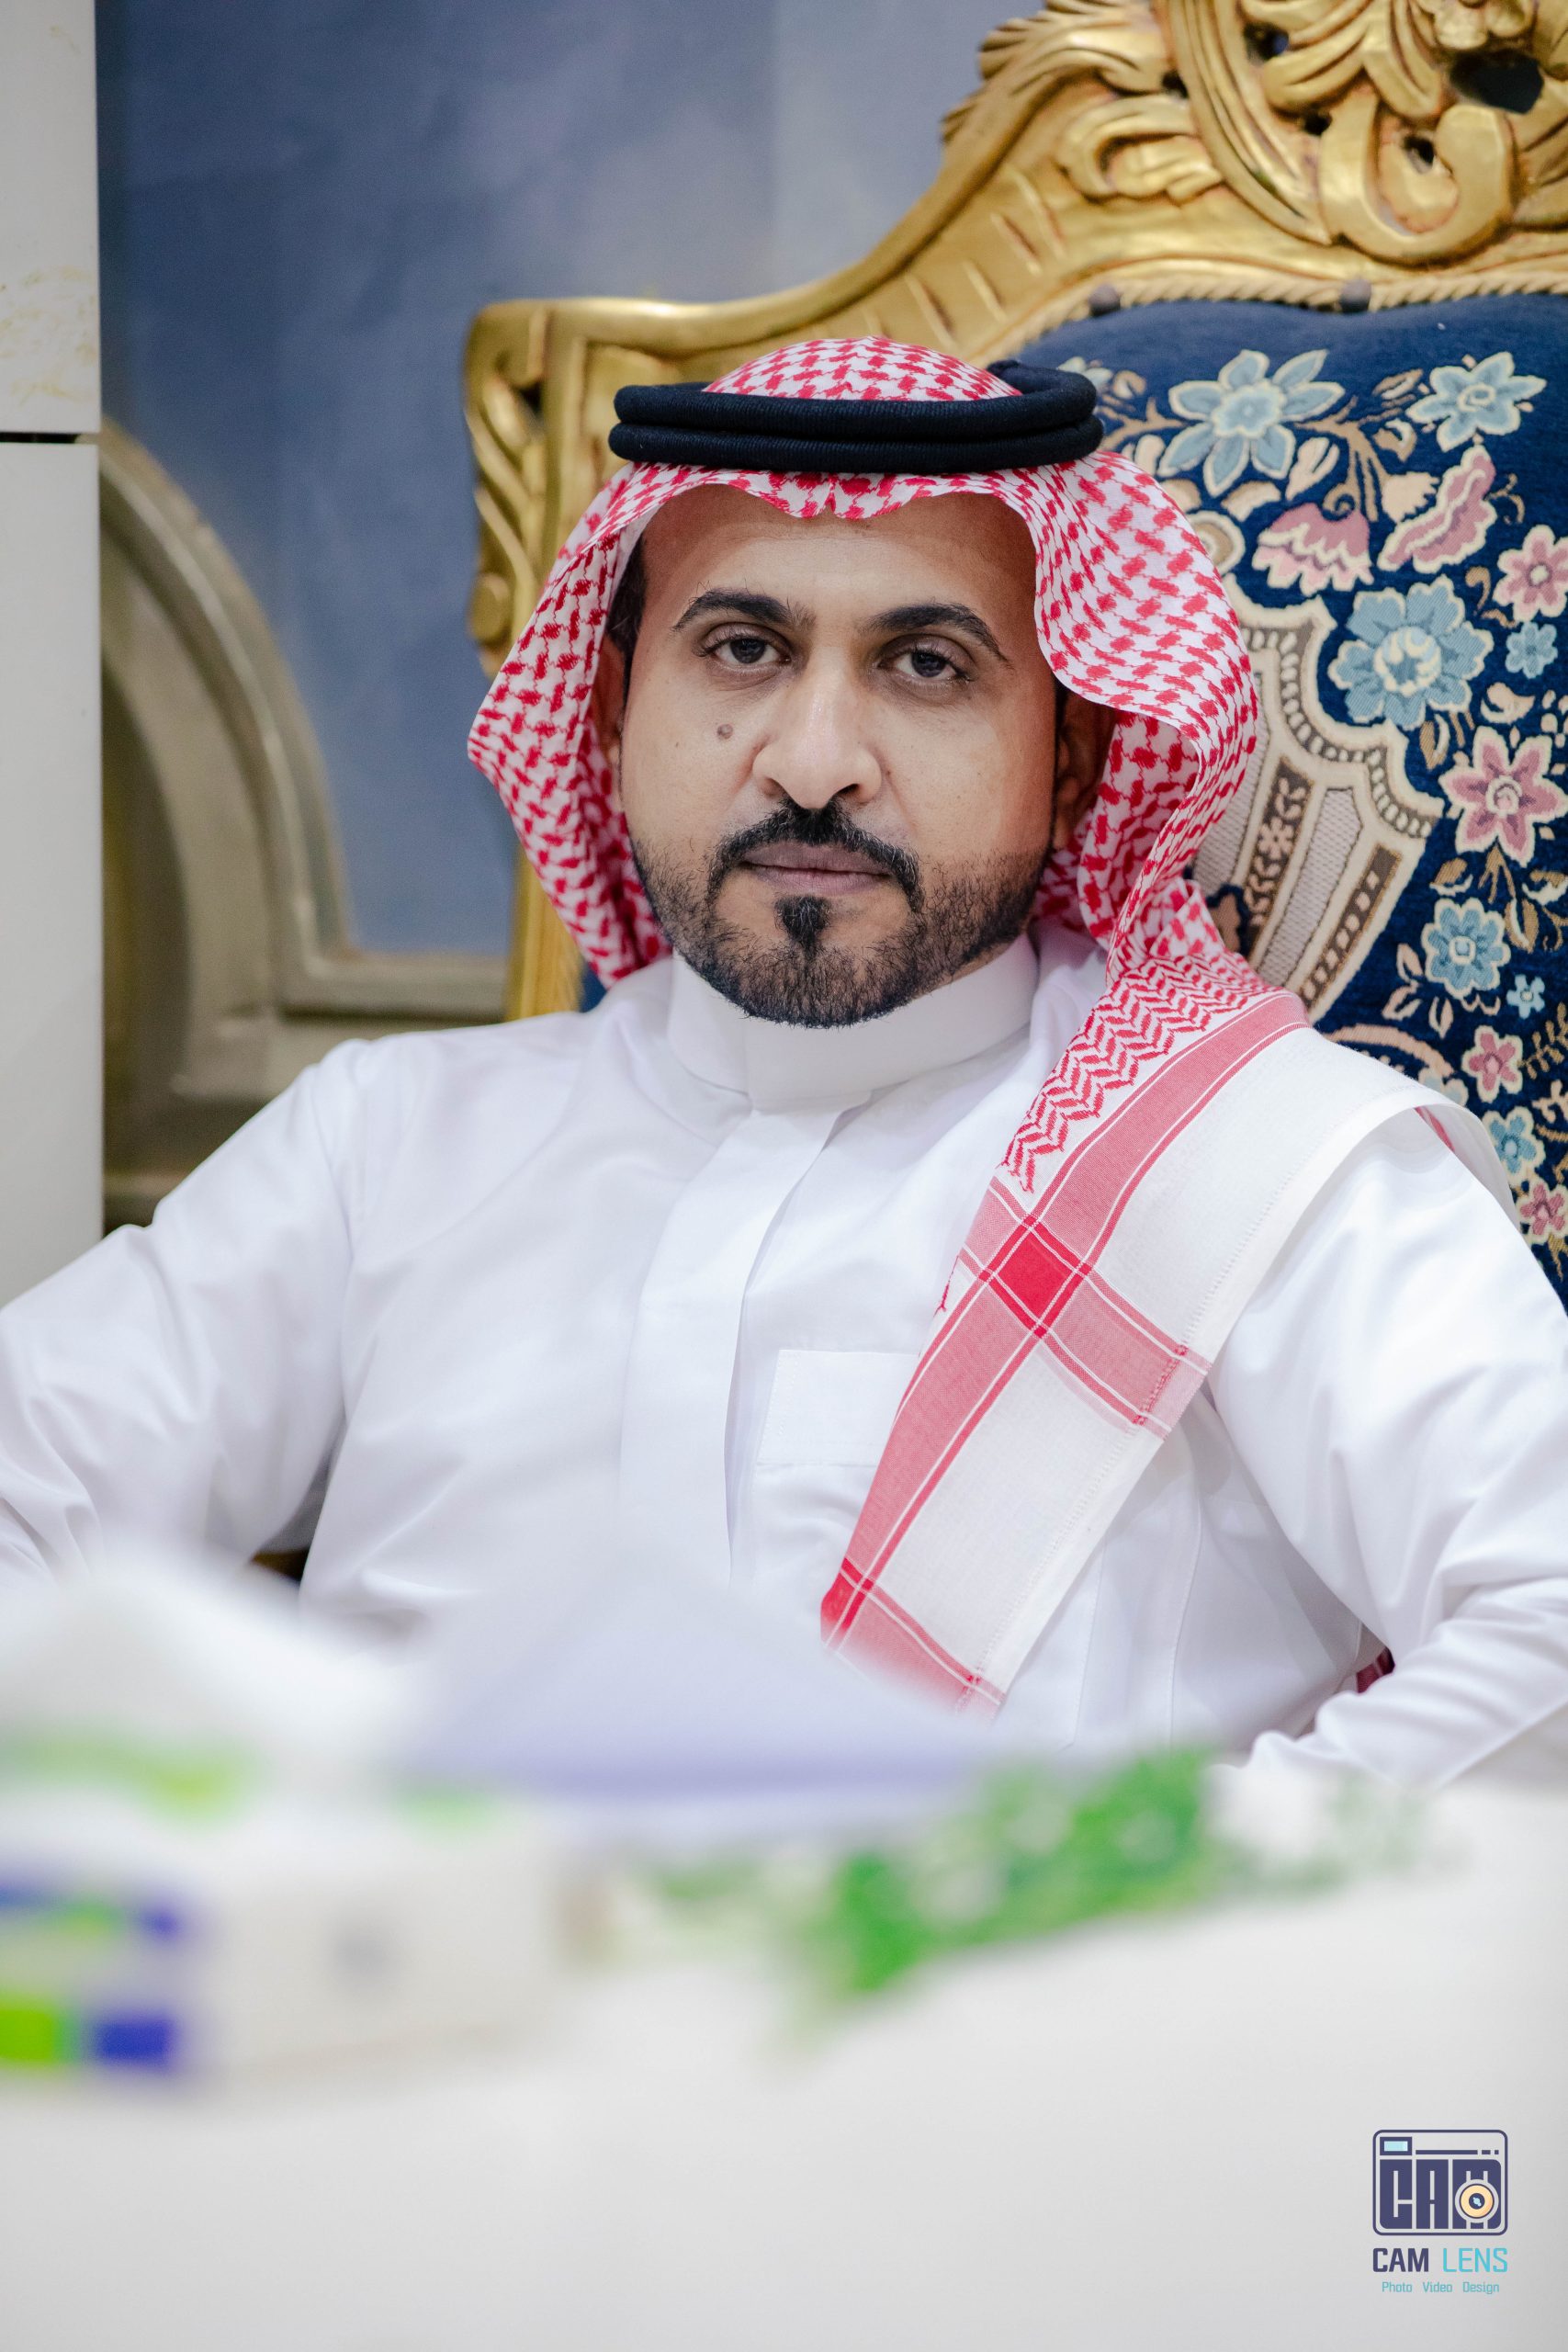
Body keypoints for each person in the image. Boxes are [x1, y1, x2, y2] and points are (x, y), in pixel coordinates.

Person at [0, 336, 1564, 1787]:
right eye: (743, 649)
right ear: (611, 710)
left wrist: (1156, 1898)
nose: (815, 764)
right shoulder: (387, 1146)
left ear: (1077, 756)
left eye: (927, 665)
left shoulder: (1264, 1174)